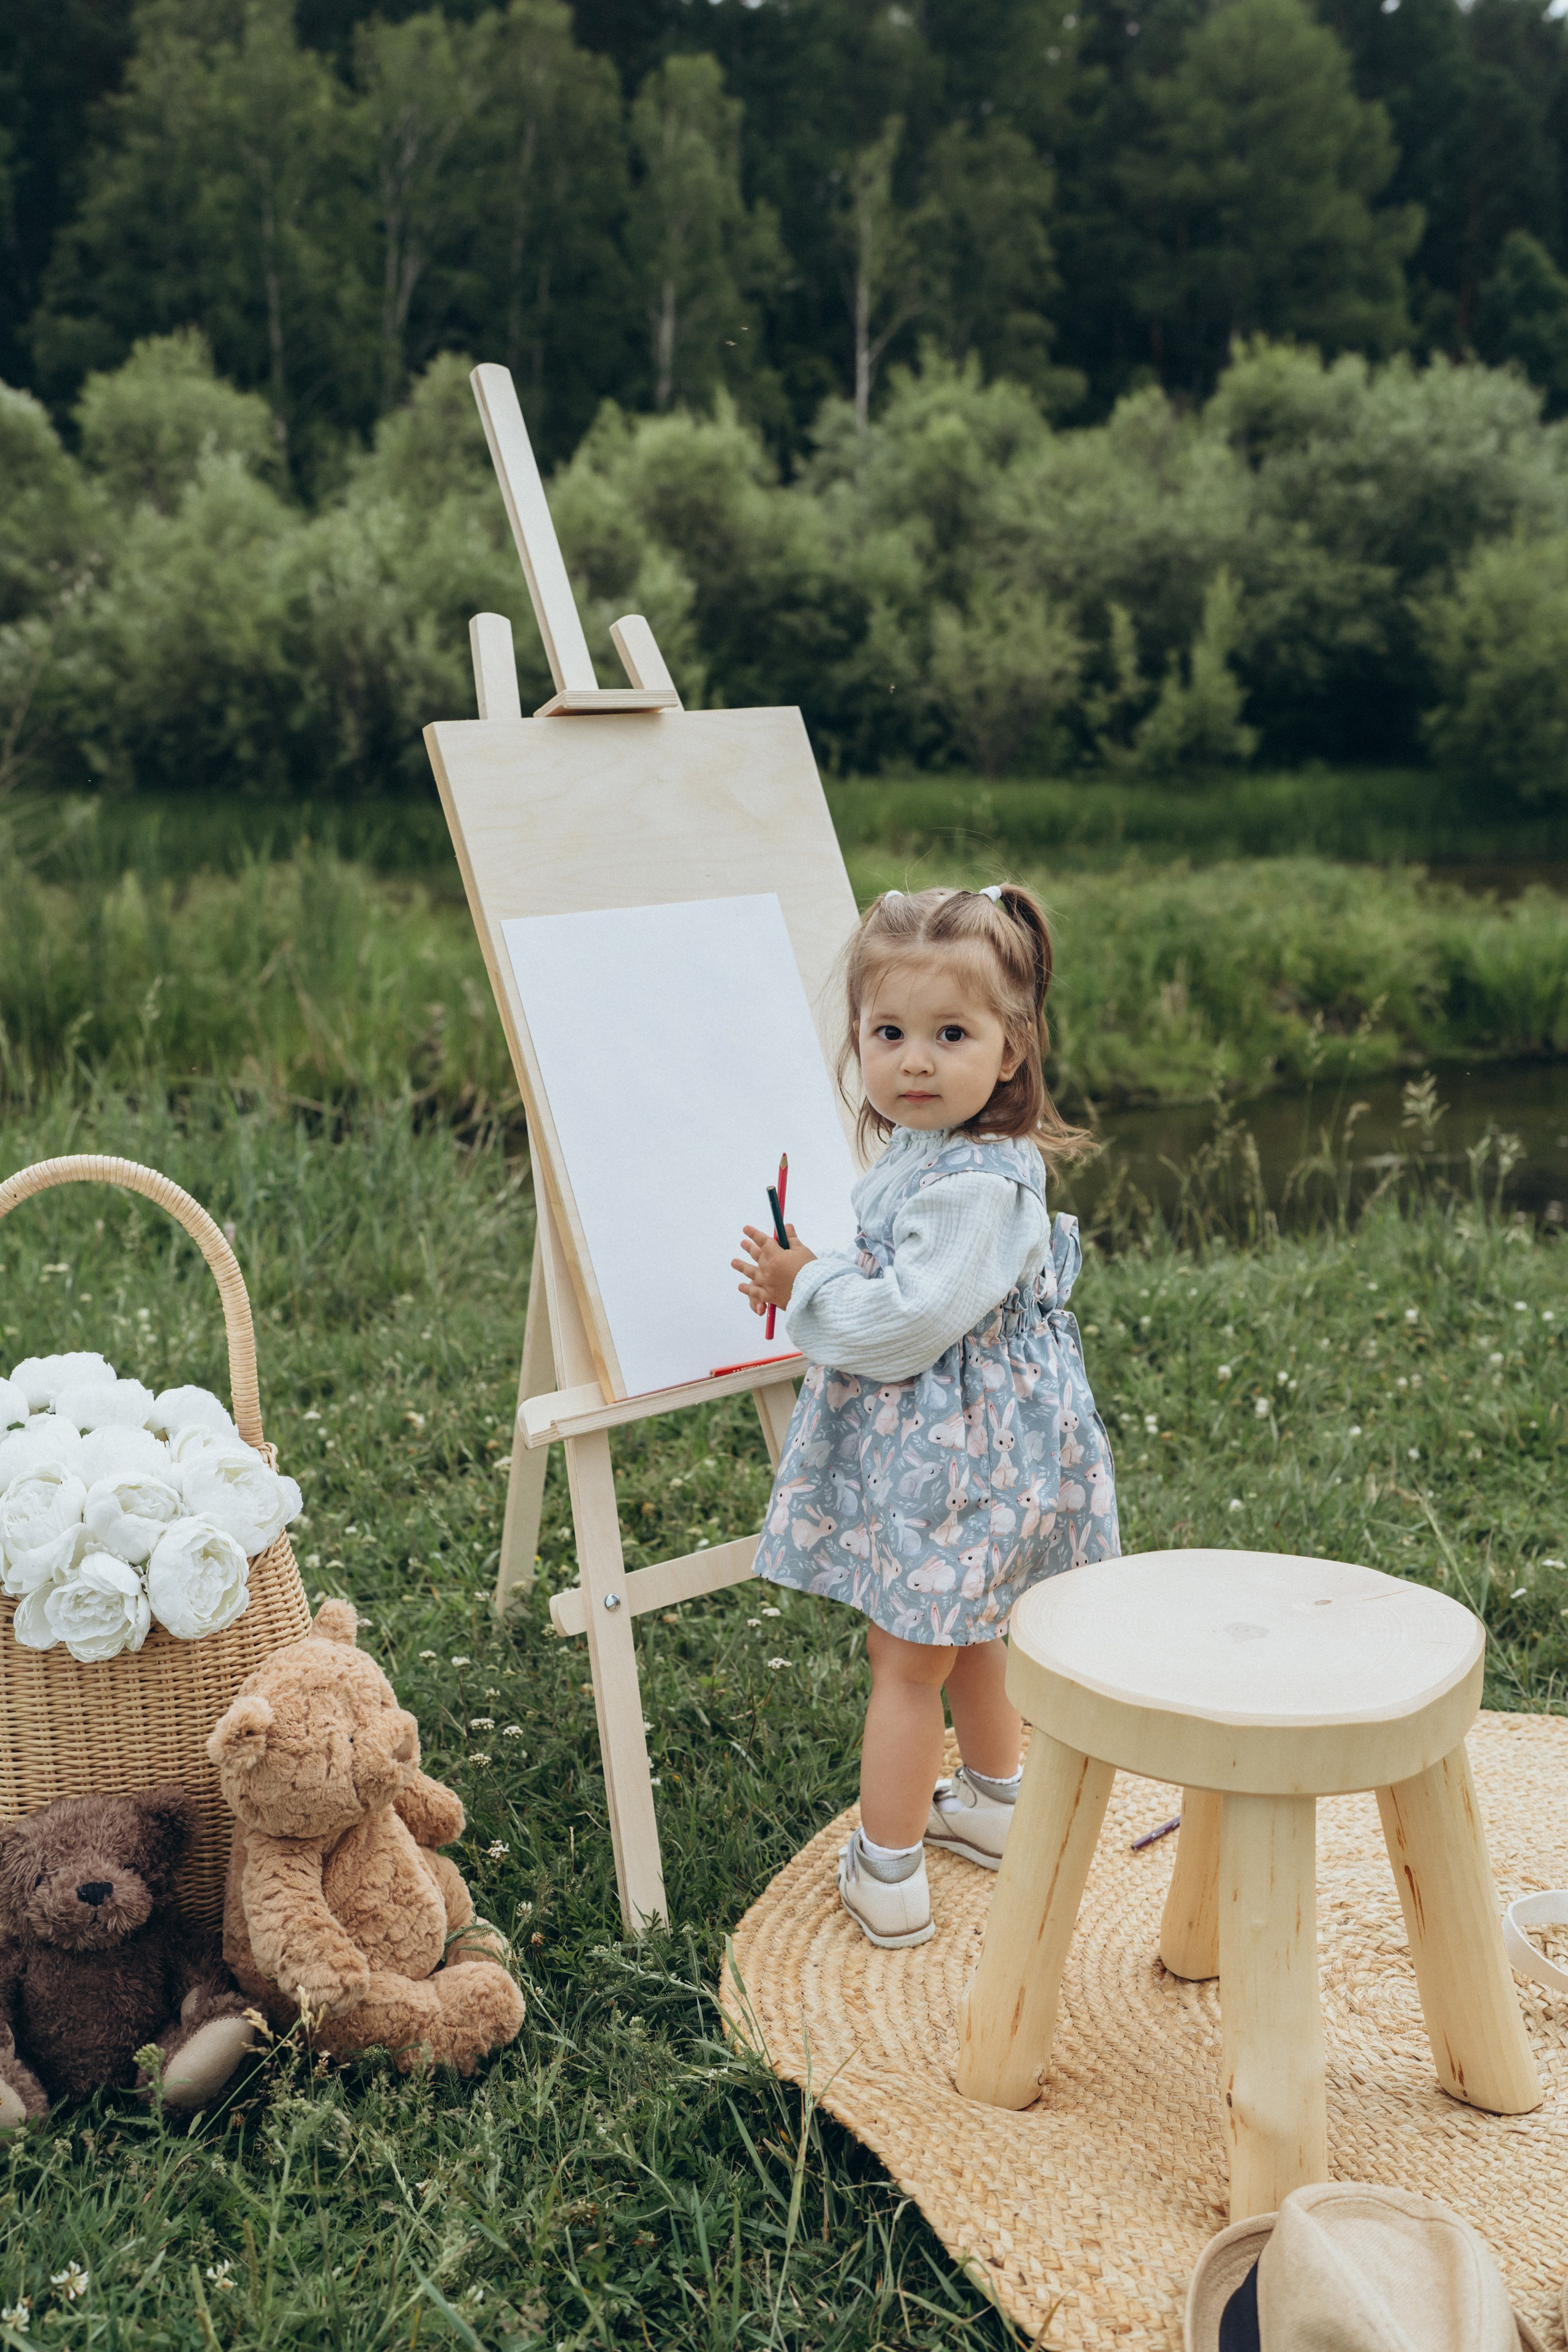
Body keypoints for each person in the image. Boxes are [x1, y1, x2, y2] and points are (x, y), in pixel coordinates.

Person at [732, 883, 1120, 1950]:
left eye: (951, 1034)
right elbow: (907, 1276)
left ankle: (888, 1867)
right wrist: (823, 1266)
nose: (913, 1060)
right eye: (888, 1033)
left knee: (907, 1663)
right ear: (858, 1041)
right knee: (978, 1629)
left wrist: (807, 1289)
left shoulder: (974, 1187)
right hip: (986, 1456)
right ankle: (997, 1804)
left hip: (960, 1464)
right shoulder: (937, 1159)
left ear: (1010, 1052)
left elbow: (908, 1324)